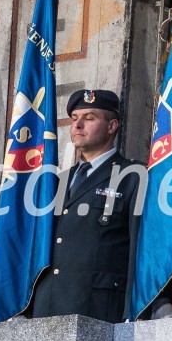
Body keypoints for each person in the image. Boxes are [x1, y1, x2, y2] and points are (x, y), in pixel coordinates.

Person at [31, 89, 141, 323]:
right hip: (47, 308)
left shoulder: (134, 176)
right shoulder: (56, 181)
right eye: (74, 119)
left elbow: (139, 249)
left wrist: (134, 311)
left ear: (112, 126)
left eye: (89, 118)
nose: (78, 125)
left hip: (98, 308)